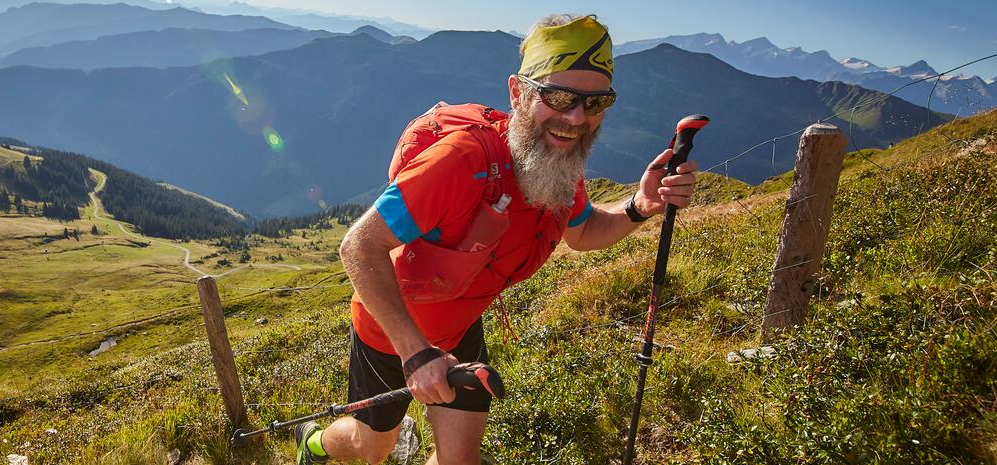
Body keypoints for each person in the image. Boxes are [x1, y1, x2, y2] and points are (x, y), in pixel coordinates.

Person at [295, 14, 700, 464]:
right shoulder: (459, 161)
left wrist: (638, 208)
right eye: (559, 96)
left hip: (461, 326)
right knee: (371, 448)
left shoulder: (558, 166)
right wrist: (414, 354)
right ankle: (313, 444)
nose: (576, 118)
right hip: (391, 334)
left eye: (596, 101)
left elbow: (583, 232)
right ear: (517, 92)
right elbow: (358, 246)